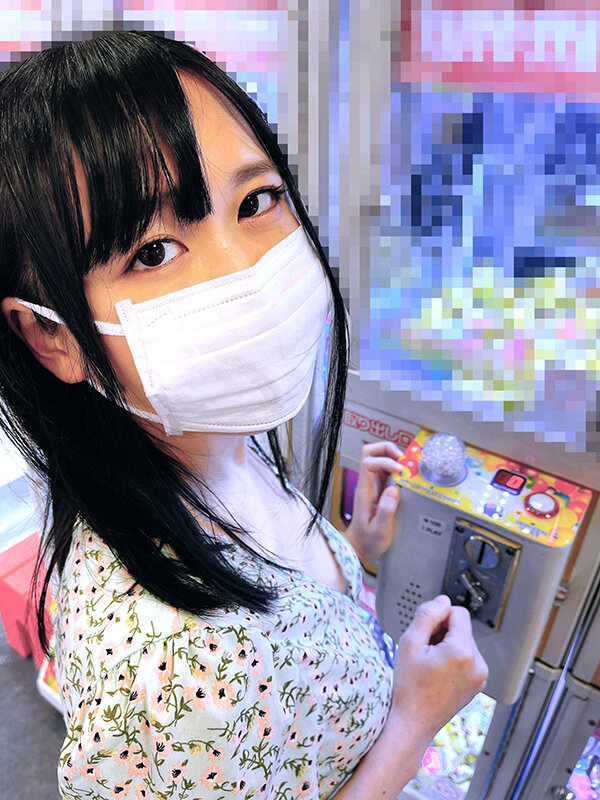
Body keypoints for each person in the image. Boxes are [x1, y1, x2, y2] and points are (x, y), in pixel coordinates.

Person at [0, 32, 487, 799]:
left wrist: (348, 549)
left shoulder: (212, 434)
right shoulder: (169, 671)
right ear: (50, 336)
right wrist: (416, 719)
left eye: (257, 201)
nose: (246, 269)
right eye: (153, 251)